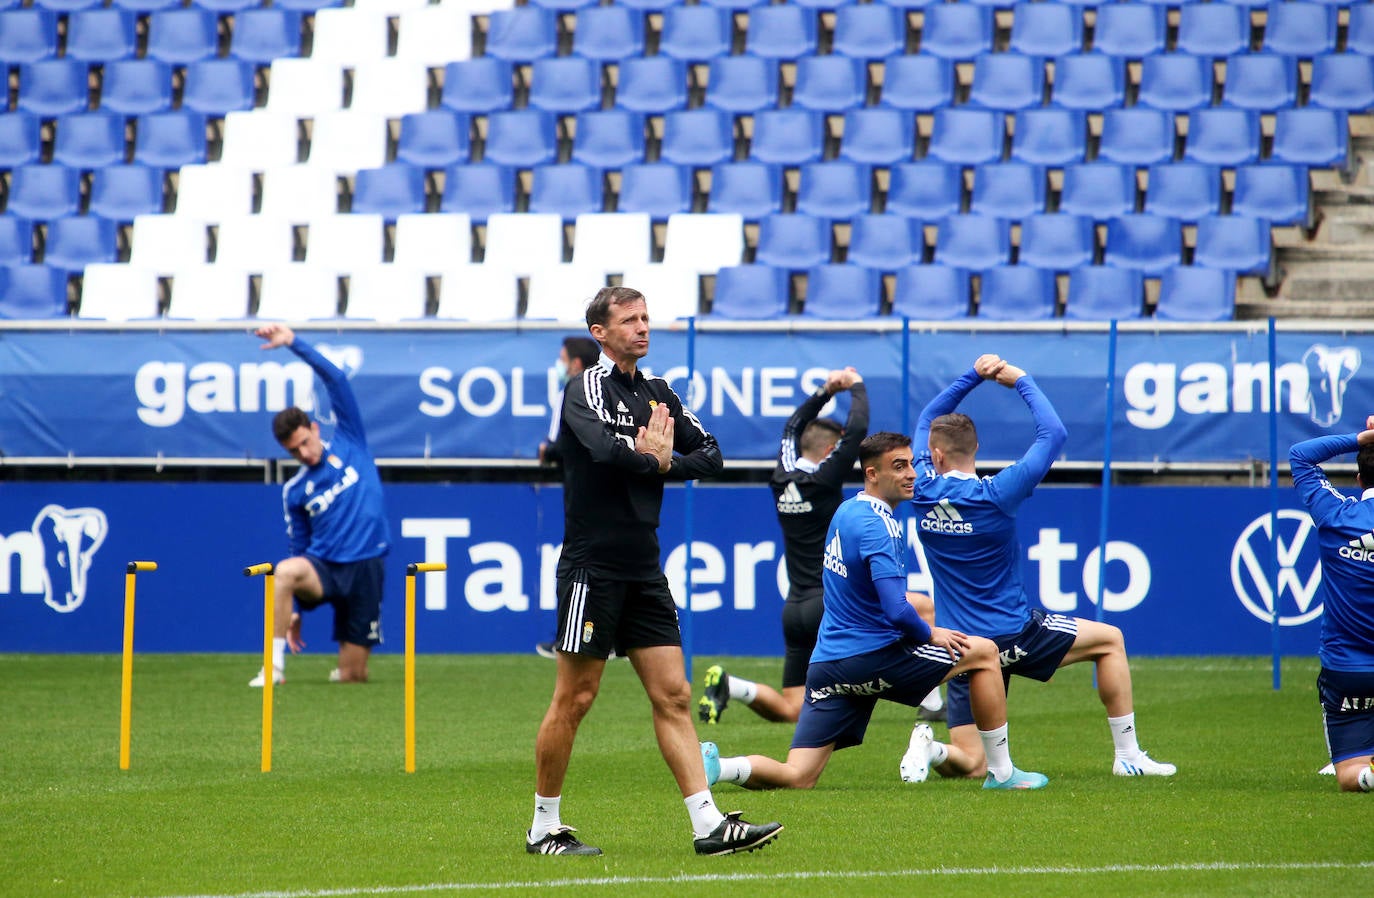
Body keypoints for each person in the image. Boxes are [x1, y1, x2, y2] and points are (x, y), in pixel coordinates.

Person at [527, 286, 783, 857]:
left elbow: (713, 455)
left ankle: (707, 825)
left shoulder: (659, 392)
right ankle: (544, 826)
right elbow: (599, 450)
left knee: (674, 694)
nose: (643, 328)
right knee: (576, 697)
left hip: (644, 568)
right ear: (600, 331)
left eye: (646, 318)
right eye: (629, 320)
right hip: (591, 568)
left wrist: (664, 461)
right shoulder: (584, 388)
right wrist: (652, 460)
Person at [700, 433, 1048, 792]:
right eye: (899, 466)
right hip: (872, 658)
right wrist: (932, 633)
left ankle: (719, 766)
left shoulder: (847, 510)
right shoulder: (880, 527)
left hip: (828, 665)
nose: (911, 473)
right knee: (985, 653)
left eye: (912, 463)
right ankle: (1004, 774)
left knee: (798, 775)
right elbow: (897, 610)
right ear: (872, 474)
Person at [900, 354, 1175, 781]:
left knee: (972, 764)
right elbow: (1054, 432)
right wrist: (1019, 380)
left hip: (961, 644)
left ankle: (931, 747)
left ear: (934, 455)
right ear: (977, 449)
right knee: (1110, 641)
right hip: (1013, 633)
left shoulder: (920, 487)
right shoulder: (1000, 491)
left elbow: (927, 415)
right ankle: (1128, 756)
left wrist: (972, 376)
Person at [699, 366, 871, 724]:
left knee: (793, 709)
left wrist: (826, 390)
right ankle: (933, 705)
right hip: (830, 603)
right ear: (828, 449)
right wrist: (855, 387)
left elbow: (792, 425)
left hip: (794, 609)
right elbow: (856, 431)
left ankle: (732, 686)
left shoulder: (780, 477)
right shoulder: (824, 479)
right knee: (911, 620)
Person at [249, 323, 390, 687]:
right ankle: (274, 668)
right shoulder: (295, 490)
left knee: (353, 676)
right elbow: (299, 549)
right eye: (292, 451)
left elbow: (337, 380)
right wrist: (293, 608)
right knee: (284, 571)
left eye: (303, 443)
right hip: (323, 569)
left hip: (365, 567)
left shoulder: (350, 440)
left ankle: (346, 666)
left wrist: (293, 342)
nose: (302, 453)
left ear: (313, 428)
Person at [1290, 418, 1374, 793]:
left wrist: (1360, 438)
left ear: (1359, 480)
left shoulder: (1335, 515)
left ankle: (1367, 774)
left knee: (1348, 774)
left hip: (1348, 669)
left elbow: (1301, 456)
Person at [535, 336, 601, 660]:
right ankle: (610, 638)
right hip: (605, 493)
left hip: (581, 493)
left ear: (575, 363)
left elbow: (567, 442)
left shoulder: (573, 393)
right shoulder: (605, 390)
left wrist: (548, 451)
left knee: (578, 563)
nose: (560, 366)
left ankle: (571, 639)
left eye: (562, 359)